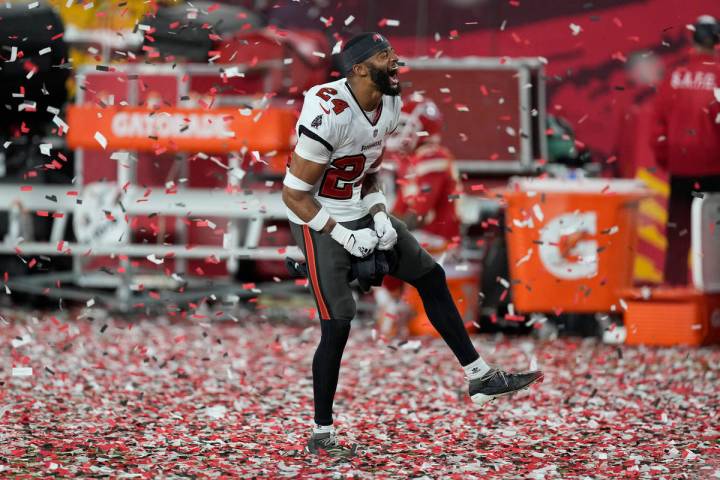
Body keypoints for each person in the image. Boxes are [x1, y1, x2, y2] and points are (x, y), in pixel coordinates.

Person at [281, 32, 543, 459]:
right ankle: (321, 433)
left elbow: (367, 174)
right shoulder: (328, 110)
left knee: (430, 276)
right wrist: (345, 235)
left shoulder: (389, 105)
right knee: (339, 322)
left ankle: (479, 376)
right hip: (317, 218)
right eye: (386, 56)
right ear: (360, 68)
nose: (396, 61)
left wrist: (381, 214)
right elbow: (294, 196)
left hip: (358, 207)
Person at [374, 93, 464, 338]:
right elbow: (401, 210)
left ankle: (393, 315)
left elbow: (420, 211)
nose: (397, 131)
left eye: (404, 125)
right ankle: (394, 312)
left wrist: (381, 234)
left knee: (380, 254)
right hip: (426, 235)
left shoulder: (433, 155)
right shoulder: (414, 159)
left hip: (437, 238)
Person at [650, 15, 720, 285]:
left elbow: (657, 128)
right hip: (714, 174)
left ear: (693, 39)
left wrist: (670, 161)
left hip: (681, 172)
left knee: (678, 241)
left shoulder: (674, 76)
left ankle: (674, 297)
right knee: (714, 240)